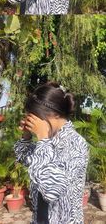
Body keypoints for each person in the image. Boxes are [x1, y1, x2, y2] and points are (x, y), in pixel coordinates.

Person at [14, 82, 88, 224]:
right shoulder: (49, 140)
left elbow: (51, 191)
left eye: (35, 116)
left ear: (53, 114)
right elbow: (24, 159)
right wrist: (26, 136)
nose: (32, 120)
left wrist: (42, 137)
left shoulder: (76, 143)